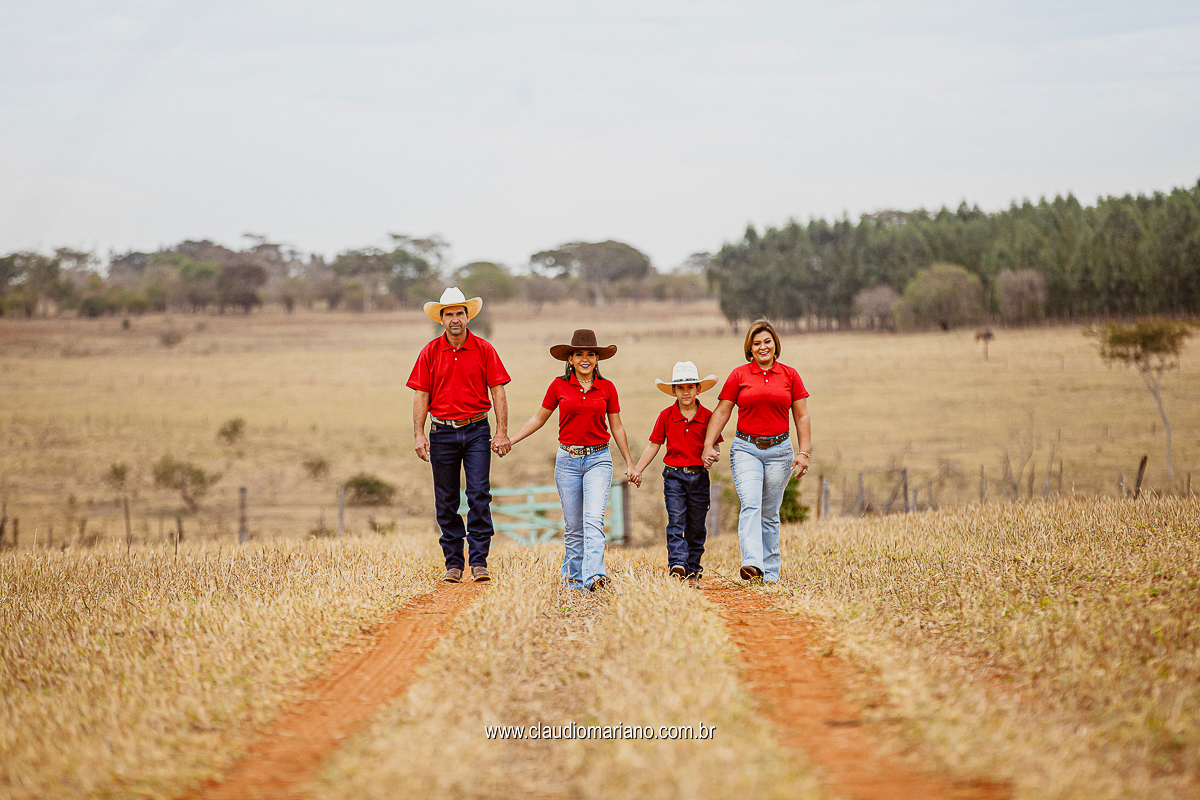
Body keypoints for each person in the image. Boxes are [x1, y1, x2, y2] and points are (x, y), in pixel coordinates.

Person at [508, 329, 635, 591]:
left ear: (597, 359)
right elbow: (538, 419)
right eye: (579, 354)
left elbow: (617, 426)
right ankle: (574, 582)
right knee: (574, 526)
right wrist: (510, 440)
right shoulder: (558, 386)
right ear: (570, 359)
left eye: (590, 354)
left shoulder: (607, 388)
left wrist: (630, 463)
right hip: (568, 460)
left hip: (599, 458)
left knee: (593, 519)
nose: (585, 359)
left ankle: (595, 576)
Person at [408, 287, 511, 584]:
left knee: (479, 494)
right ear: (441, 319)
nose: (455, 319)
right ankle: (453, 563)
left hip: (477, 430)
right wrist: (419, 434)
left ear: (468, 317)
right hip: (441, 432)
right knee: (446, 499)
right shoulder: (429, 352)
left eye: (460, 313)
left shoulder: (484, 349)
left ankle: (478, 561)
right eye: (449, 314)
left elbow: (498, 391)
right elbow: (421, 394)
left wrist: (501, 432)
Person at [702, 319, 810, 583]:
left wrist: (804, 452)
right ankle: (752, 564)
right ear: (749, 348)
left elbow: (802, 416)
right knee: (751, 503)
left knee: (770, 513)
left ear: (775, 344)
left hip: (780, 451)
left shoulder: (790, 375)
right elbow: (722, 412)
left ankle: (771, 574)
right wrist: (708, 444)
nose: (763, 347)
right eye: (757, 343)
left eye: (767, 342)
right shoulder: (739, 375)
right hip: (746, 449)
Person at [629, 361, 722, 587]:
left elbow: (715, 445)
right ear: (673, 391)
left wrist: (712, 456)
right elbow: (654, 445)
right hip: (674, 477)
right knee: (676, 520)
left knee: (696, 526)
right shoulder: (666, 416)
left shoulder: (708, 416)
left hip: (699, 477)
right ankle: (677, 563)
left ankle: (693, 570)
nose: (685, 392)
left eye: (690, 387)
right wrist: (638, 469)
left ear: (698, 389)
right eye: (680, 387)